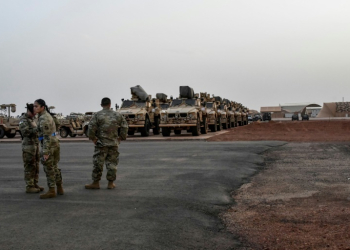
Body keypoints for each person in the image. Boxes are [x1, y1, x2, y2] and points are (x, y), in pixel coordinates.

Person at [85, 97, 128, 189]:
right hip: (113, 143)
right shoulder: (117, 115)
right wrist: (121, 137)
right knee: (112, 163)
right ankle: (110, 183)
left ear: (101, 105)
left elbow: (91, 127)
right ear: (110, 104)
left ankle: (96, 183)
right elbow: (125, 126)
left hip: (101, 143)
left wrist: (93, 139)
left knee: (98, 163)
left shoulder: (97, 115)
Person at [33, 99, 63, 199]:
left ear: (42, 107)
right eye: (34, 106)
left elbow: (46, 136)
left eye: (36, 106)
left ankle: (51, 190)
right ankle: (59, 187)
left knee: (49, 167)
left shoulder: (44, 118)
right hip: (54, 142)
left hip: (49, 144)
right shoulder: (46, 116)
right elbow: (57, 125)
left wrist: (45, 152)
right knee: (55, 166)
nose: (34, 108)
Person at [19, 103, 44, 193]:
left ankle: (34, 183)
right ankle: (29, 186)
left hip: (35, 145)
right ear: (28, 111)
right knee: (29, 166)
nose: (35, 114)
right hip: (28, 147)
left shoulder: (33, 119)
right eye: (33, 112)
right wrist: (37, 129)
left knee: (36, 165)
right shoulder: (23, 120)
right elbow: (25, 132)